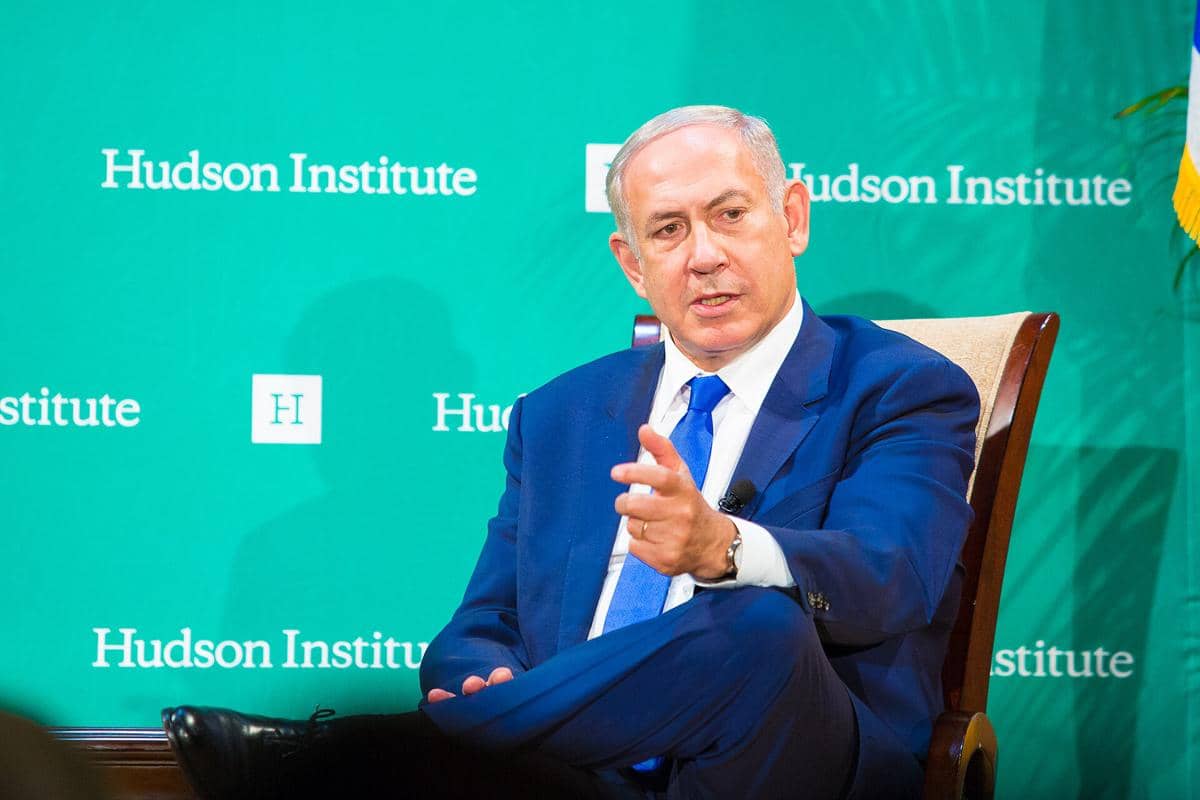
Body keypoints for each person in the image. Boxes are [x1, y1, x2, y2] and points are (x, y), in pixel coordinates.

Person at [162, 105, 979, 800]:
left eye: (731, 214)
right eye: (668, 230)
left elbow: (892, 576)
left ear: (792, 218)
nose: (704, 254)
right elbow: (481, 624)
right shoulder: (561, 416)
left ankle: (348, 757)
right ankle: (461, 740)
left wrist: (723, 549)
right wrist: (482, 672)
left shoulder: (897, 385)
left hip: (789, 760)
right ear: (632, 265)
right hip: (576, 781)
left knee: (759, 622)